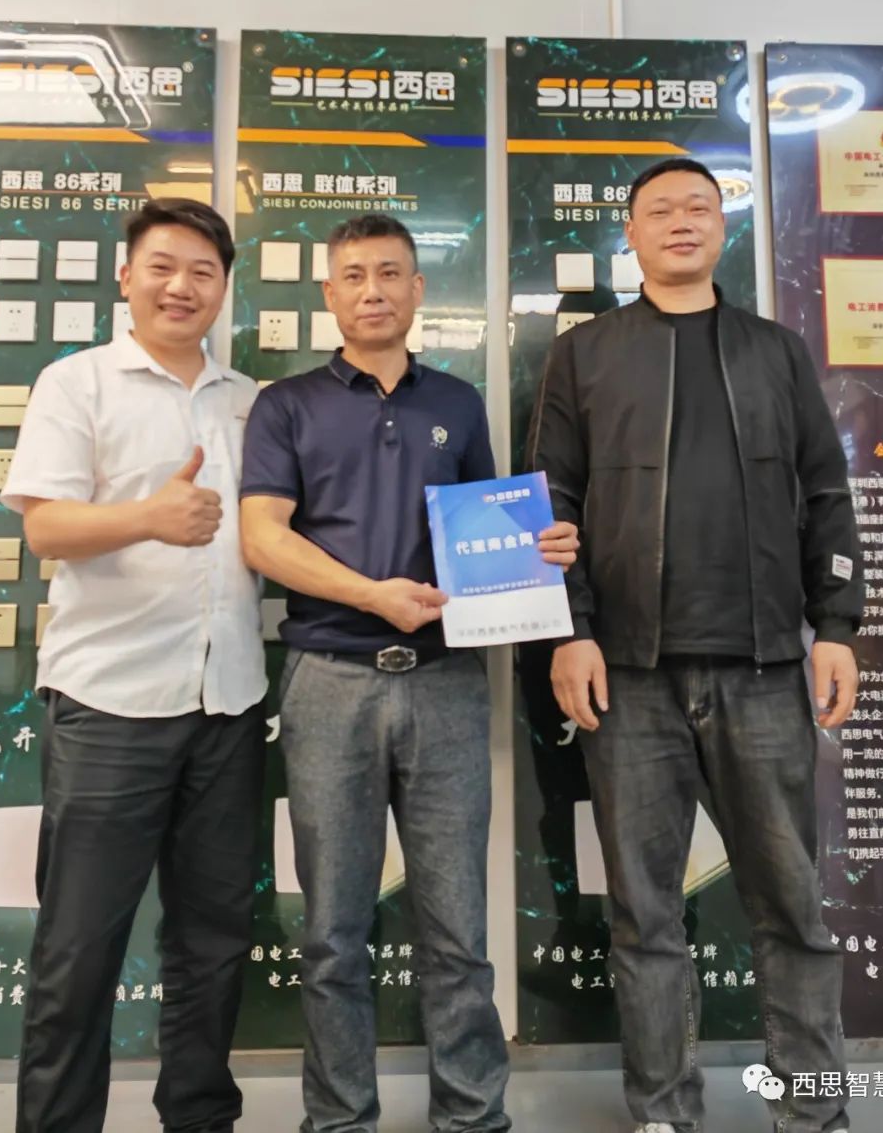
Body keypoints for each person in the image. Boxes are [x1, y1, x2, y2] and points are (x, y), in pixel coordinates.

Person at [528, 158, 863, 1133]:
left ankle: (812, 1109)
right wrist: (571, 630)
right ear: (630, 234)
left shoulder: (776, 351)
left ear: (724, 227)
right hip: (629, 676)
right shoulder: (585, 355)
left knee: (791, 907)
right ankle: (664, 1111)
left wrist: (836, 625)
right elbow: (551, 501)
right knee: (645, 915)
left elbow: (826, 490)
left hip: (763, 669)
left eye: (700, 208)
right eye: (660, 210)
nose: (682, 221)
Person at [240, 213, 578, 1133]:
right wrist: (371, 595)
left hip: (445, 683)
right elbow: (262, 537)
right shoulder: (286, 405)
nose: (373, 290)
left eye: (390, 272)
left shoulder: (458, 404)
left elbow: (489, 539)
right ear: (329, 293)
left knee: (458, 930)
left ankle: (472, 1115)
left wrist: (540, 552)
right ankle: (339, 1118)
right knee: (332, 932)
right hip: (329, 680)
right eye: (353, 275)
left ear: (419, 289)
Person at [2, 198, 266, 1133]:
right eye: (162, 265)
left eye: (202, 270)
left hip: (228, 701)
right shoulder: (76, 383)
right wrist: (147, 517)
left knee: (214, 941)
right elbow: (45, 528)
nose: (180, 285)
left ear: (224, 287)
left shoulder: (250, 401)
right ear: (126, 276)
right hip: (110, 704)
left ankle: (198, 1117)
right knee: (78, 947)